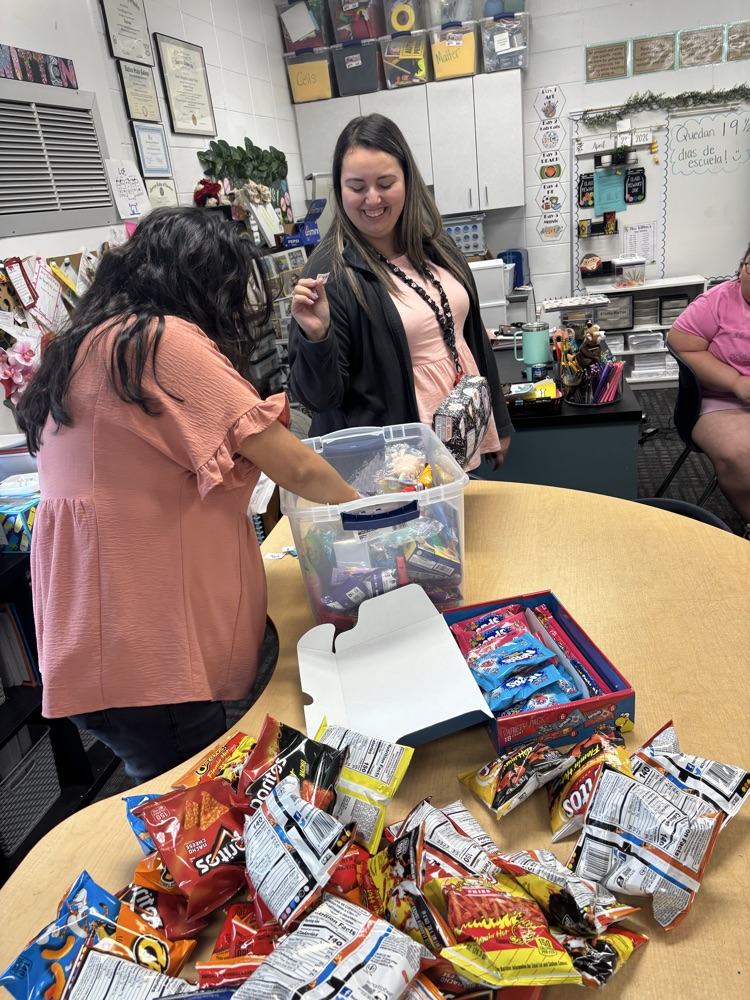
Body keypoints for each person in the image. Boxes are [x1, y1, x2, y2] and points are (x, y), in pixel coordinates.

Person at [16, 207, 358, 782]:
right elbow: (297, 467)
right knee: (194, 798)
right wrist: (375, 514)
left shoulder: (84, 344)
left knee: (169, 787)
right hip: (150, 656)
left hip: (97, 647)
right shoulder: (155, 342)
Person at [288, 113, 513, 471]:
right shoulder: (329, 272)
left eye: (385, 182)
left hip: (458, 438)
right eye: (357, 187)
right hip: (393, 467)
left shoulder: (436, 245)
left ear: (408, 181)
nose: (372, 198)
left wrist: (496, 420)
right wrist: (317, 338)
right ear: (340, 189)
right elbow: (320, 399)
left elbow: (470, 338)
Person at [667, 241, 750, 535]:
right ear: (741, 268)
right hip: (719, 400)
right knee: (740, 452)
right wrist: (735, 382)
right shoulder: (716, 303)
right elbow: (681, 345)